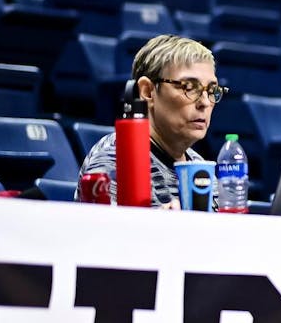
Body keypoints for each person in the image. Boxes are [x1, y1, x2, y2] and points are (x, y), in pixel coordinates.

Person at [78, 34, 226, 208]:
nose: (205, 102)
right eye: (189, 87)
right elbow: (110, 233)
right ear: (147, 91)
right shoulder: (117, 159)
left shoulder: (200, 167)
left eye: (212, 90)